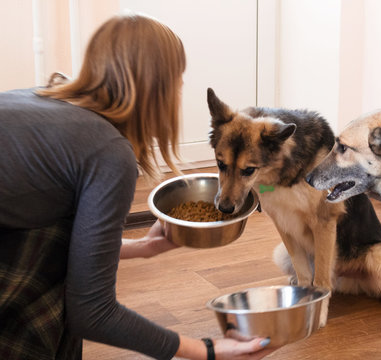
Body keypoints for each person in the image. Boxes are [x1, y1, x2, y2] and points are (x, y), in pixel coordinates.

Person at [0, 14, 274, 360]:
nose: (179, 91)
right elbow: (92, 312)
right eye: (177, 81)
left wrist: (141, 247)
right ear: (158, 89)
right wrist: (207, 349)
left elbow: (79, 240)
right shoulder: (109, 153)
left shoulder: (42, 98)